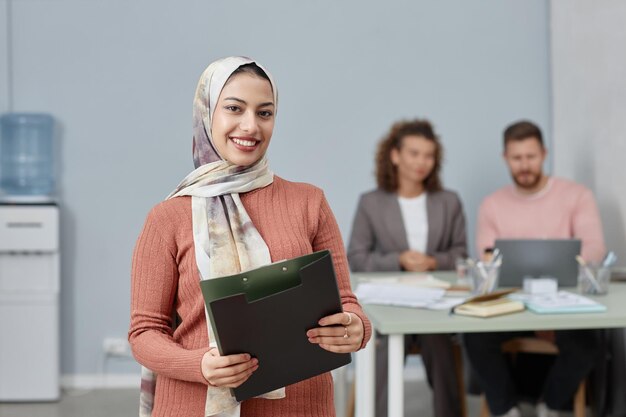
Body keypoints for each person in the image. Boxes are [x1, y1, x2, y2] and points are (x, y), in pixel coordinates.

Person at [128, 56, 371, 417]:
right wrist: (199, 365)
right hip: (195, 405)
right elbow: (144, 332)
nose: (250, 126)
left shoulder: (309, 202)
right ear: (207, 113)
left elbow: (346, 302)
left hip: (301, 405)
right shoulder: (168, 217)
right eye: (234, 108)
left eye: (265, 113)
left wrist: (356, 328)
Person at [464, 120, 606, 417]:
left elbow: (594, 250)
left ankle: (551, 405)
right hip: (512, 307)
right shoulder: (492, 205)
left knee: (587, 343)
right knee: (474, 336)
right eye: (516, 158)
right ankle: (506, 410)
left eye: (530, 157)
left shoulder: (577, 196)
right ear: (505, 158)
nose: (524, 165)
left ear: (544, 153)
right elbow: (488, 259)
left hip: (564, 305)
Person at [347, 119, 468, 417]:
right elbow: (357, 257)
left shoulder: (448, 201)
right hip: (389, 302)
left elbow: (462, 255)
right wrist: (398, 260)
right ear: (395, 156)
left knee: (438, 341)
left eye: (429, 155)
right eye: (414, 153)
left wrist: (433, 261)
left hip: (434, 303)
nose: (422, 163)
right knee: (384, 344)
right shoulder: (371, 203)